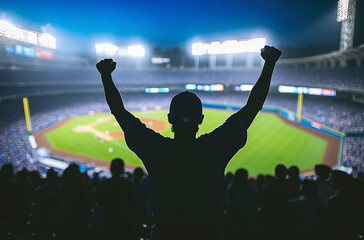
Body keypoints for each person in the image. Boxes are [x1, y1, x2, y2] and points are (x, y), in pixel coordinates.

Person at [97, 45, 281, 240]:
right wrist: (269, 63)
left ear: (169, 118)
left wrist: (106, 76)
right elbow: (253, 106)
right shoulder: (215, 147)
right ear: (200, 119)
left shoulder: (156, 149)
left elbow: (119, 111)